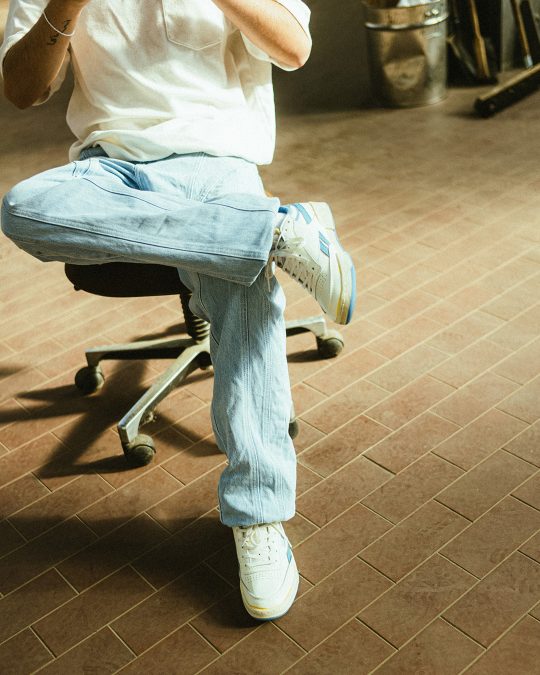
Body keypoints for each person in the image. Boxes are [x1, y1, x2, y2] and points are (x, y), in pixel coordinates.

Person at [0, 0, 356, 620]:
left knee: (243, 286)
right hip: (110, 171)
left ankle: (259, 516)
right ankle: (274, 230)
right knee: (23, 208)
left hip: (219, 167)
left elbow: (294, 49)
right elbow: (22, 90)